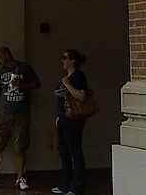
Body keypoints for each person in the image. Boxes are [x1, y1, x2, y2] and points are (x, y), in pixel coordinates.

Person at [0, 46, 40, 191]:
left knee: (20, 144)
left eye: (0, 58)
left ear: (7, 55)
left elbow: (37, 84)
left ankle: (20, 177)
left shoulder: (24, 68)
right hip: (5, 113)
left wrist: (22, 85)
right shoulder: (0, 73)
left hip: (21, 113)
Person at [52, 49, 89, 195]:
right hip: (63, 119)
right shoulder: (66, 76)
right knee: (64, 152)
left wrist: (67, 84)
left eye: (65, 58)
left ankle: (77, 186)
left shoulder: (78, 77)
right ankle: (65, 184)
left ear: (72, 60)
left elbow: (81, 96)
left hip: (74, 120)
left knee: (75, 152)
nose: (63, 61)